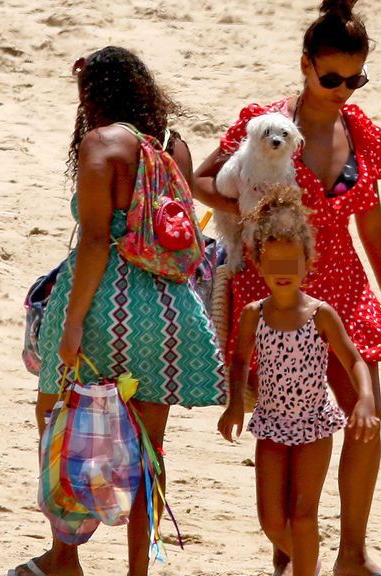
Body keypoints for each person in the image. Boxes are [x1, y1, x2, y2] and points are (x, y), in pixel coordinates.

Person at [192, 1, 381, 574]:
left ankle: (352, 554)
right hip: (277, 292)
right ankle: (287, 554)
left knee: (366, 418)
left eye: (355, 78)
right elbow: (201, 181)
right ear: (305, 65)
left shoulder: (362, 133)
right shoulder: (264, 123)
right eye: (332, 77)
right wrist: (248, 209)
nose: (343, 90)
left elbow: (371, 220)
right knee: (289, 425)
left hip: (346, 286)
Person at [13, 46, 224, 576]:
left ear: (94, 97)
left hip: (104, 302)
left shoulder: (101, 143)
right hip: (165, 310)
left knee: (61, 425)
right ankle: (138, 573)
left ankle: (65, 560)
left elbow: (94, 242)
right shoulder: (172, 148)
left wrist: (75, 320)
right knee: (149, 451)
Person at [218, 185, 380, 576]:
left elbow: (354, 359)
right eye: (273, 264)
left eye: (291, 264)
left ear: (308, 263)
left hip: (313, 425)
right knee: (272, 520)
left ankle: (305, 568)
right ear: (257, 263)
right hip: (271, 424)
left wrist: (365, 400)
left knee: (304, 516)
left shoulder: (321, 314)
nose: (282, 274)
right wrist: (235, 404)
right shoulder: (253, 315)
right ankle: (310, 562)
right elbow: (239, 360)